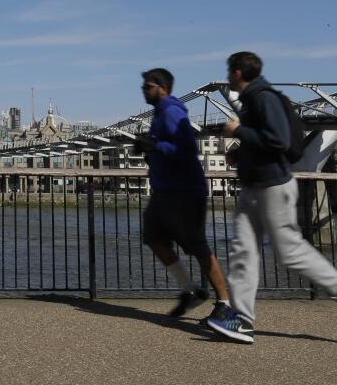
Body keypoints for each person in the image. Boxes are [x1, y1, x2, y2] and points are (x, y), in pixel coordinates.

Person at [208, 52, 337, 343]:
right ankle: (242, 322)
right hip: (255, 187)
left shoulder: (264, 97)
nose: (228, 77)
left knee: (290, 252)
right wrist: (238, 153)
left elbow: (277, 140)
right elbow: (262, 142)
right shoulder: (255, 100)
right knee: (242, 251)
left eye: (230, 71)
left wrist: (238, 130)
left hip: (273, 187)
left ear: (239, 73)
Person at [135, 68, 231, 319]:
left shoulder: (172, 111)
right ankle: (190, 291)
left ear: (162, 88)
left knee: (198, 246)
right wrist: (148, 149)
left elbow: (186, 148)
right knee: (154, 239)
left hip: (185, 192)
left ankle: (224, 303)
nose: (144, 90)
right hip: (164, 192)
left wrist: (155, 145)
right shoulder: (159, 114)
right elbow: (165, 151)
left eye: (147, 86)